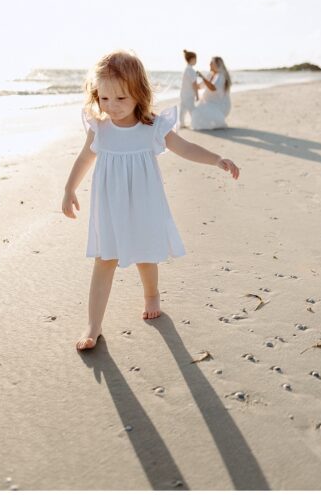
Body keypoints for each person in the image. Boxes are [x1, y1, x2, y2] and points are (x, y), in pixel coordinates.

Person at [60, 50, 240, 351]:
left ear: (139, 94)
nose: (112, 107)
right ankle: (93, 324)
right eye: (104, 99)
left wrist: (216, 159)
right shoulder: (100, 128)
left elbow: (185, 148)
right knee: (105, 258)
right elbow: (83, 158)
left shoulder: (151, 127)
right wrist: (69, 189)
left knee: (145, 253)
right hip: (109, 205)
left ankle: (151, 295)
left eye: (121, 99)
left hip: (144, 202)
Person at [190, 56, 233, 130]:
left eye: (211, 63)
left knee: (199, 112)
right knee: (197, 111)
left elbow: (213, 88)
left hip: (219, 105)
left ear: (216, 64)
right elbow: (200, 86)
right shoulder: (210, 75)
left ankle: (216, 123)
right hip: (210, 103)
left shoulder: (221, 75)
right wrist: (192, 79)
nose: (209, 65)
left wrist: (202, 77)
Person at [179, 49, 199, 128]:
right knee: (192, 109)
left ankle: (182, 123)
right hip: (189, 94)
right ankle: (195, 124)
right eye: (195, 59)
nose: (196, 61)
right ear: (192, 59)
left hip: (183, 93)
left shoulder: (186, 69)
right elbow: (194, 84)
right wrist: (197, 95)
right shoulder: (191, 70)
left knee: (183, 109)